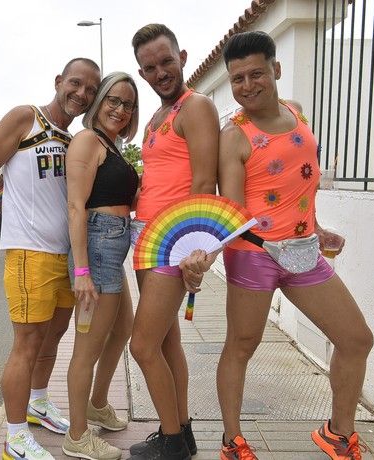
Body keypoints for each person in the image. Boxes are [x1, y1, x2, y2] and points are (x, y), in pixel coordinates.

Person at [215, 31, 373, 460]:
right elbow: (230, 211)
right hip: (254, 254)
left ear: (276, 70)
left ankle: (339, 433)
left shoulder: (296, 115)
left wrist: (316, 228)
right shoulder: (234, 137)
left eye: (256, 74)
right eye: (237, 79)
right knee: (241, 345)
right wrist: (207, 252)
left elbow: (298, 182)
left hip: (304, 252)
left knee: (356, 339)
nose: (247, 86)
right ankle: (232, 441)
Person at [0, 57, 101, 460]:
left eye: (90, 90)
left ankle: (38, 402)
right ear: (59, 80)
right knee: (26, 344)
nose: (81, 94)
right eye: (76, 84)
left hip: (64, 257)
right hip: (30, 254)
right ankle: (14, 437)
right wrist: (5, 210)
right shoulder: (26, 118)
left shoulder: (73, 138)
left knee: (53, 338)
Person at [127, 24, 219, 460]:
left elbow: (204, 182)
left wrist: (192, 252)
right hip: (147, 240)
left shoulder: (195, 106)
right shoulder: (156, 117)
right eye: (150, 67)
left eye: (166, 61)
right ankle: (182, 429)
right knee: (166, 343)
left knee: (141, 345)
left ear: (182, 56)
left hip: (171, 243)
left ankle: (170, 441)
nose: (160, 72)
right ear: (141, 73)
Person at [61, 72, 140, 460]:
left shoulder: (111, 144)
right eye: (113, 100)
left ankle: (97, 401)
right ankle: (77, 436)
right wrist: (81, 272)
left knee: (122, 328)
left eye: (127, 104)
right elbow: (76, 207)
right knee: (86, 349)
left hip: (112, 248)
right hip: (96, 249)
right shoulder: (86, 140)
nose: (120, 110)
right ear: (99, 101)